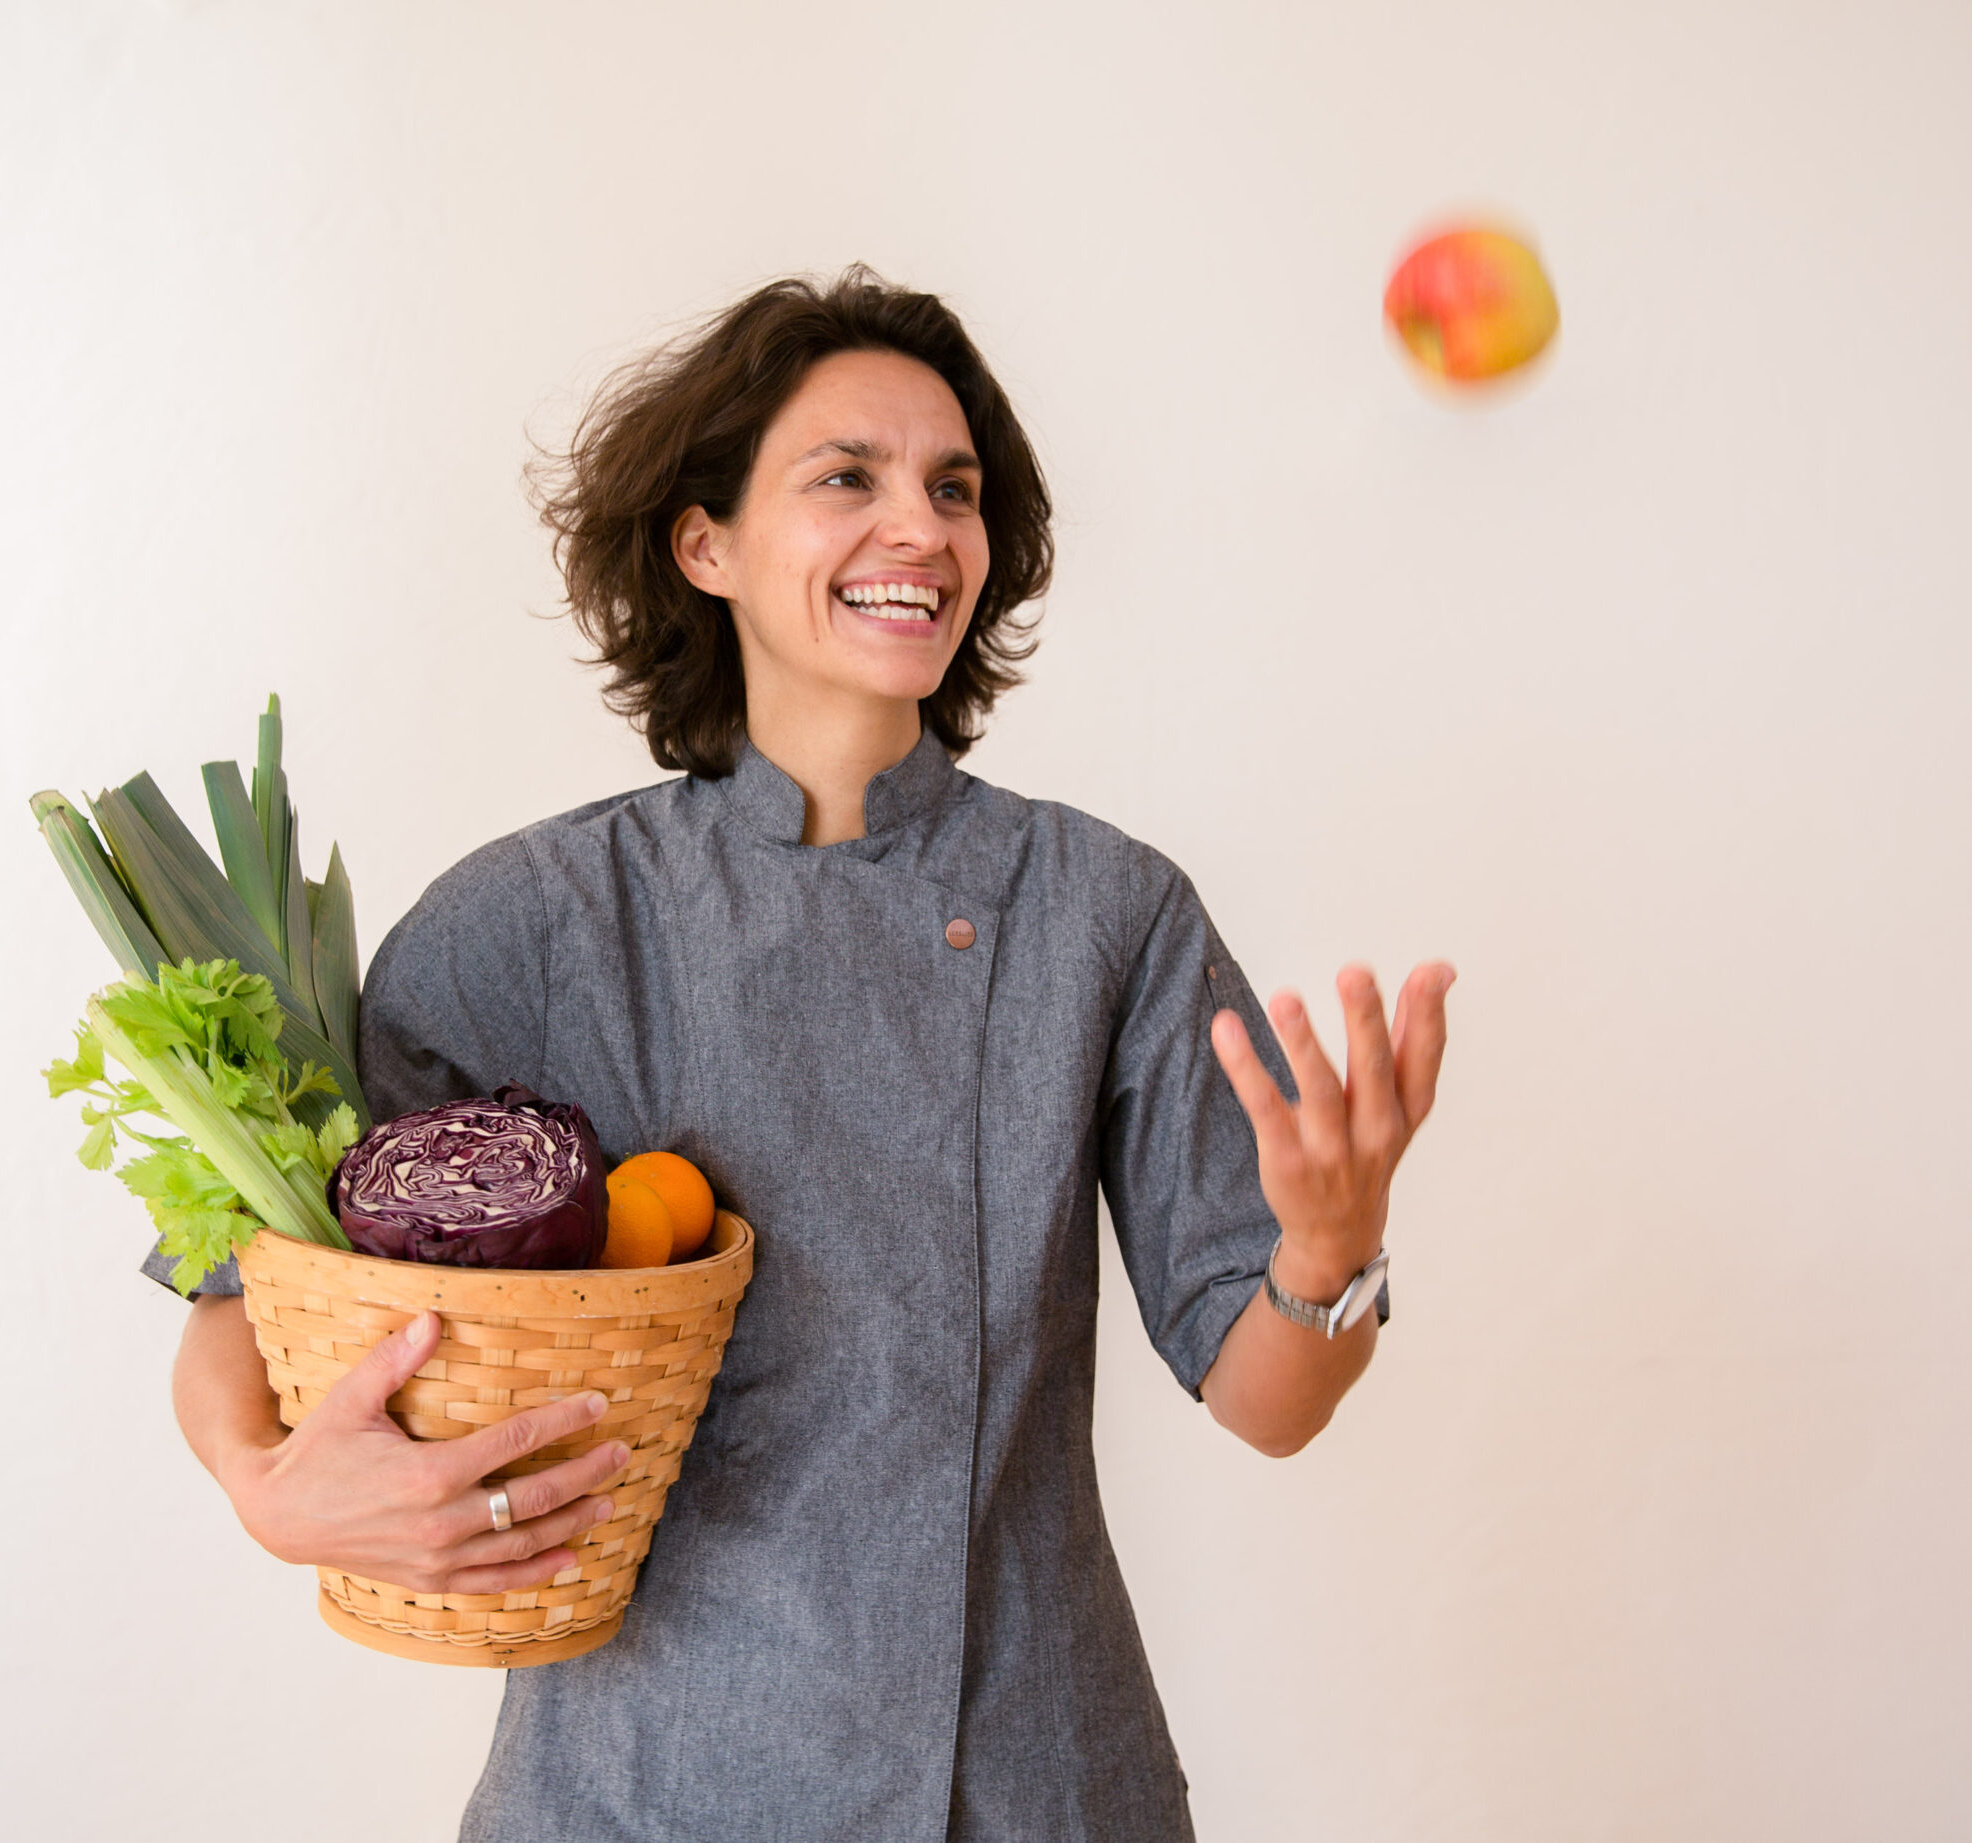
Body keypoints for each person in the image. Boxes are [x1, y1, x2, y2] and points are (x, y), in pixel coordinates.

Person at [161, 267, 1452, 1843]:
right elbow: (246, 1278)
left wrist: (1328, 1249)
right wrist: (266, 1484)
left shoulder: (1101, 910)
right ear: (704, 544)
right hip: (637, 1785)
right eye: (849, 478)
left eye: (955, 490)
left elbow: (1270, 1402)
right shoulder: (541, 918)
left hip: (1021, 1782)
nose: (923, 528)